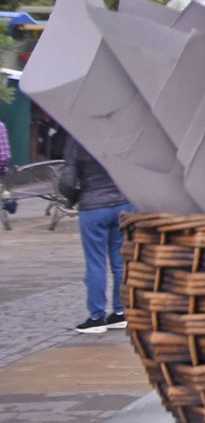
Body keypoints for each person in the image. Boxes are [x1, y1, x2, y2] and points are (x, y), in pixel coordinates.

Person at [57, 135, 134, 333]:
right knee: (120, 262)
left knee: (96, 262)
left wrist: (76, 197)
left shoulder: (77, 138)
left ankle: (96, 316)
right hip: (123, 205)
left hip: (93, 207)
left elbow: (66, 182)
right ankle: (120, 312)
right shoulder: (117, 134)